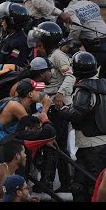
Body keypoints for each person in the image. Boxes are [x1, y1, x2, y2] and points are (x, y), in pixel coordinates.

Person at [59, 51, 106, 202]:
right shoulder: (103, 86)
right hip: (104, 145)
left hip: (93, 148)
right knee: (81, 187)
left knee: (89, 189)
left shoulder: (85, 89)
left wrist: (61, 109)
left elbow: (76, 114)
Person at [28, 21, 75, 192]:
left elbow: (70, 76)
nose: (37, 48)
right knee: (59, 146)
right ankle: (66, 183)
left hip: (58, 107)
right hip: (51, 104)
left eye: (40, 44)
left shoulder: (57, 56)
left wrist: (61, 94)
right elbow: (48, 84)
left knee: (52, 144)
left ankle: (47, 182)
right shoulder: (48, 57)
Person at [0, 78, 47, 164]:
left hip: (4, 148)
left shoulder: (23, 106)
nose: (40, 93)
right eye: (37, 91)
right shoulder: (15, 106)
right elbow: (33, 127)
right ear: (30, 94)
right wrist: (45, 108)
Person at [0, 2, 31, 68]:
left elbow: (11, 64)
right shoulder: (10, 36)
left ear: (11, 22)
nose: (2, 24)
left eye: (4, 21)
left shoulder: (18, 43)